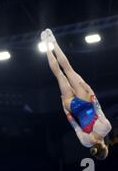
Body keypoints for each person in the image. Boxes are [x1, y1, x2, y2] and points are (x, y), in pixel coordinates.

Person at [42, 29, 112, 160]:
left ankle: (53, 42)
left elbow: (97, 108)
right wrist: (65, 109)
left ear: (105, 147)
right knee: (59, 75)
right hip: (73, 107)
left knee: (68, 69)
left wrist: (89, 90)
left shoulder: (106, 128)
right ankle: (46, 45)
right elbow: (74, 124)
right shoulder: (85, 143)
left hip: (85, 101)